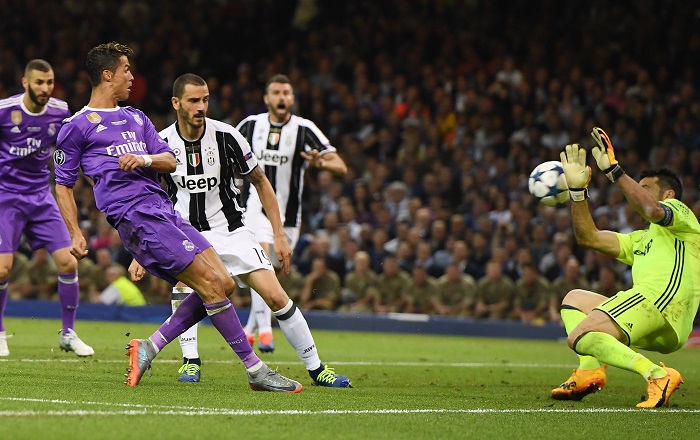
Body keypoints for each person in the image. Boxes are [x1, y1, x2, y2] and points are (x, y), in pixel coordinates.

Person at [53, 42, 301, 392]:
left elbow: (170, 159)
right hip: (136, 216)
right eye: (126, 70)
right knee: (212, 286)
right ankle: (256, 370)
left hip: (165, 211)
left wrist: (144, 160)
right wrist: (75, 232)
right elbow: (63, 185)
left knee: (225, 283)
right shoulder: (76, 126)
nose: (132, 77)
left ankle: (149, 346)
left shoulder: (136, 117)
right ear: (107, 75)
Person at [143, 73, 349, 387]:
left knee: (276, 295)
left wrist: (278, 234)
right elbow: (147, 196)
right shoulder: (161, 142)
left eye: (205, 99)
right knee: (186, 290)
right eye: (194, 101)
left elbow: (261, 181)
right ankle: (190, 362)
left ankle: (317, 367)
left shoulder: (227, 136)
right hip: (186, 233)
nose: (201, 107)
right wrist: (141, 248)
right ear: (176, 103)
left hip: (233, 230)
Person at [551, 128, 700, 408]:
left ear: (668, 194)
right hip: (660, 321)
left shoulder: (681, 214)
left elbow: (653, 211)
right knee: (574, 300)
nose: (635, 191)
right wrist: (577, 192)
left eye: (644, 188)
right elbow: (589, 237)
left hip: (660, 302)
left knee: (580, 335)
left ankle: (657, 374)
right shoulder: (641, 239)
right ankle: (589, 370)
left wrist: (615, 172)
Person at [236, 74, 347, 351]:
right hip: (255, 207)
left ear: (292, 98)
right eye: (276, 92)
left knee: (269, 274)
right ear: (266, 98)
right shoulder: (250, 126)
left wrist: (320, 162)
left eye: (286, 93)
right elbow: (228, 154)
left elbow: (340, 165)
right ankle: (265, 333)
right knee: (260, 259)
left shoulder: (304, 128)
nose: (282, 97)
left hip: (289, 217)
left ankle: (250, 328)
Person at [0, 59, 93, 357]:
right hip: (7, 197)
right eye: (39, 82)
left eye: (49, 82)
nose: (45, 88)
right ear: (25, 82)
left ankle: (68, 333)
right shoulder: (5, 111)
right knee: (3, 267)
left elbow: (68, 151)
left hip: (41, 196)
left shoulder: (60, 111)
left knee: (68, 263)